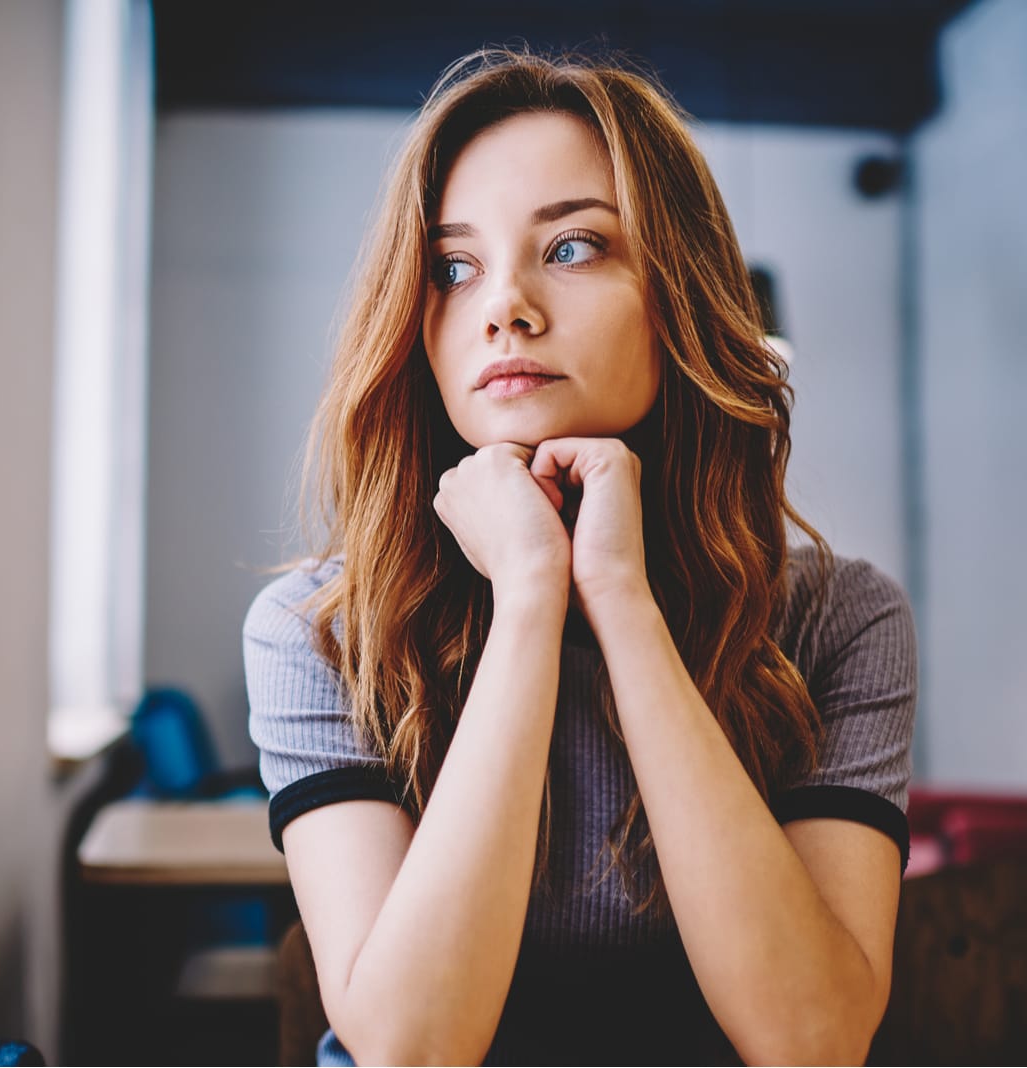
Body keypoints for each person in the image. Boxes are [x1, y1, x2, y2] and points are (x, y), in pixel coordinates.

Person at [244, 47, 916, 1066]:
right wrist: (527, 603)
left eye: (571, 247)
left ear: (678, 293)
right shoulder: (318, 631)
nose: (501, 305)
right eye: (452, 267)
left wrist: (618, 599)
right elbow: (409, 1052)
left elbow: (810, 1040)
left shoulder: (837, 620)